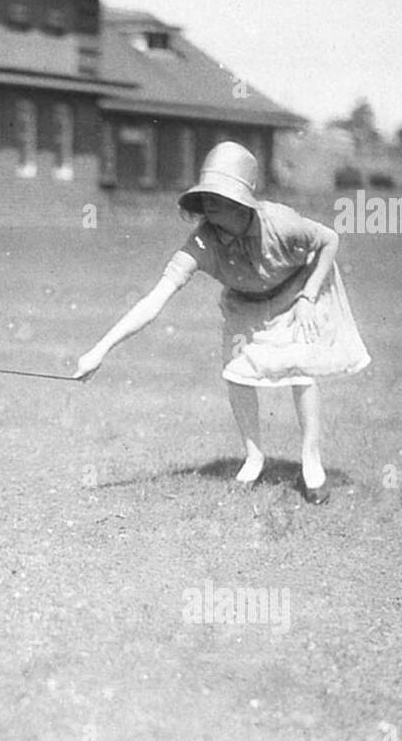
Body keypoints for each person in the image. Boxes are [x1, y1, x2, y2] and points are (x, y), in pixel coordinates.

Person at [74, 141, 370, 504]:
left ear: (241, 202)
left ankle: (311, 460)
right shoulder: (201, 242)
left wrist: (308, 296)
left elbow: (329, 239)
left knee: (300, 367)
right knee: (237, 371)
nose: (208, 207)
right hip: (245, 302)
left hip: (296, 292)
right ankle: (254, 456)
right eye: (205, 198)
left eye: (218, 198)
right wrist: (99, 350)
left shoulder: (280, 222)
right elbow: (154, 300)